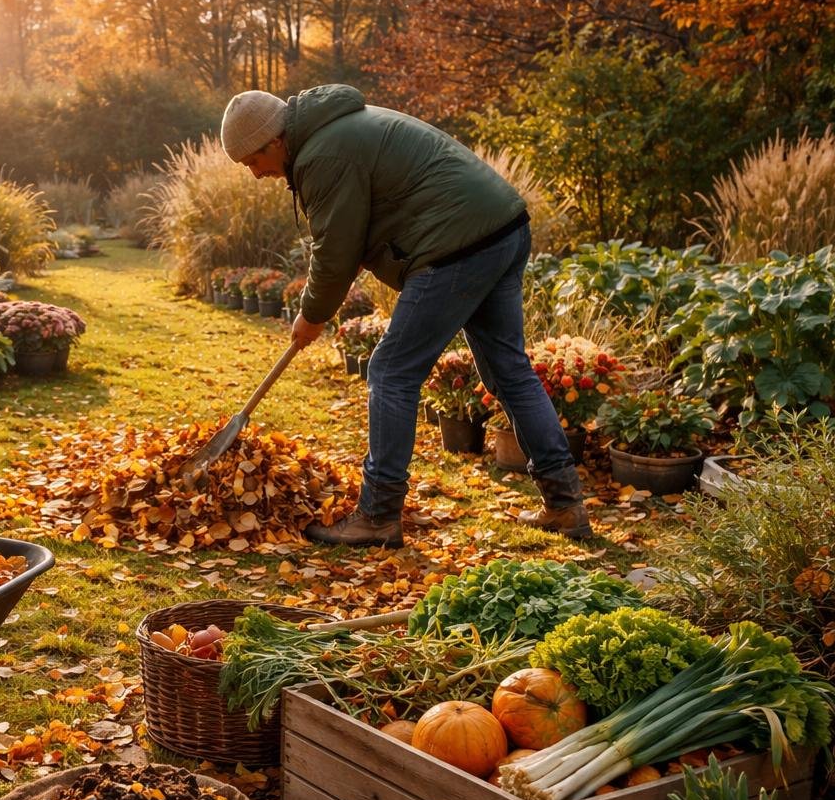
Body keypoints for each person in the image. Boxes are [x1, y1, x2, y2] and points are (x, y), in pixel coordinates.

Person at [219, 84, 591, 547]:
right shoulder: (339, 129)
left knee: (392, 369)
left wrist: (311, 314)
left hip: (457, 243)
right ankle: (564, 504)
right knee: (508, 370)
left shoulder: (322, 155)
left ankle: (377, 515)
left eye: (254, 161)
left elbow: (334, 254)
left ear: (275, 140)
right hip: (501, 227)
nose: (256, 175)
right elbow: (359, 230)